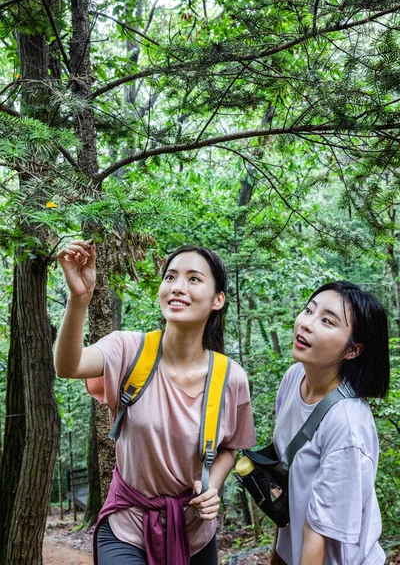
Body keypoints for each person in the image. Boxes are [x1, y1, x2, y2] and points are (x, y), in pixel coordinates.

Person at [55, 239, 256, 565]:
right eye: (171, 277)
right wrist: (79, 299)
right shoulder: (129, 350)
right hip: (127, 526)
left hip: (194, 534)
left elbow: (230, 448)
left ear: (217, 299)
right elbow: (68, 365)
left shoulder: (231, 379)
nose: (178, 287)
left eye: (194, 279)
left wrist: (212, 488)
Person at [271, 281, 390, 565]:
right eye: (308, 311)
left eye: (327, 321)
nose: (307, 324)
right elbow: (289, 485)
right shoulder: (293, 378)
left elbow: (317, 533)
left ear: (353, 350)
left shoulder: (347, 424)